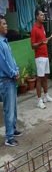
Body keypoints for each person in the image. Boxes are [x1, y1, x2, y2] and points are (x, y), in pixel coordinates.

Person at [0, 15, 22, 147]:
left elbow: (11, 60)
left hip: (11, 79)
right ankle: (9, 137)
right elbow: (3, 63)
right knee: (9, 109)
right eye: (3, 24)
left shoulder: (5, 42)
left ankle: (13, 130)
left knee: (13, 107)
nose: (6, 25)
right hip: (6, 80)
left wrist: (17, 69)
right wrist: (13, 73)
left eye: (6, 23)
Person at [31, 9, 52, 109]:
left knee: (45, 77)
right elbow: (33, 46)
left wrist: (51, 37)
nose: (43, 16)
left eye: (43, 15)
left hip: (45, 56)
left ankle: (46, 96)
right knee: (39, 79)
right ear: (37, 16)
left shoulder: (42, 27)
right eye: (41, 15)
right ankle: (39, 100)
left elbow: (44, 40)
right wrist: (41, 43)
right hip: (39, 57)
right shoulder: (34, 29)